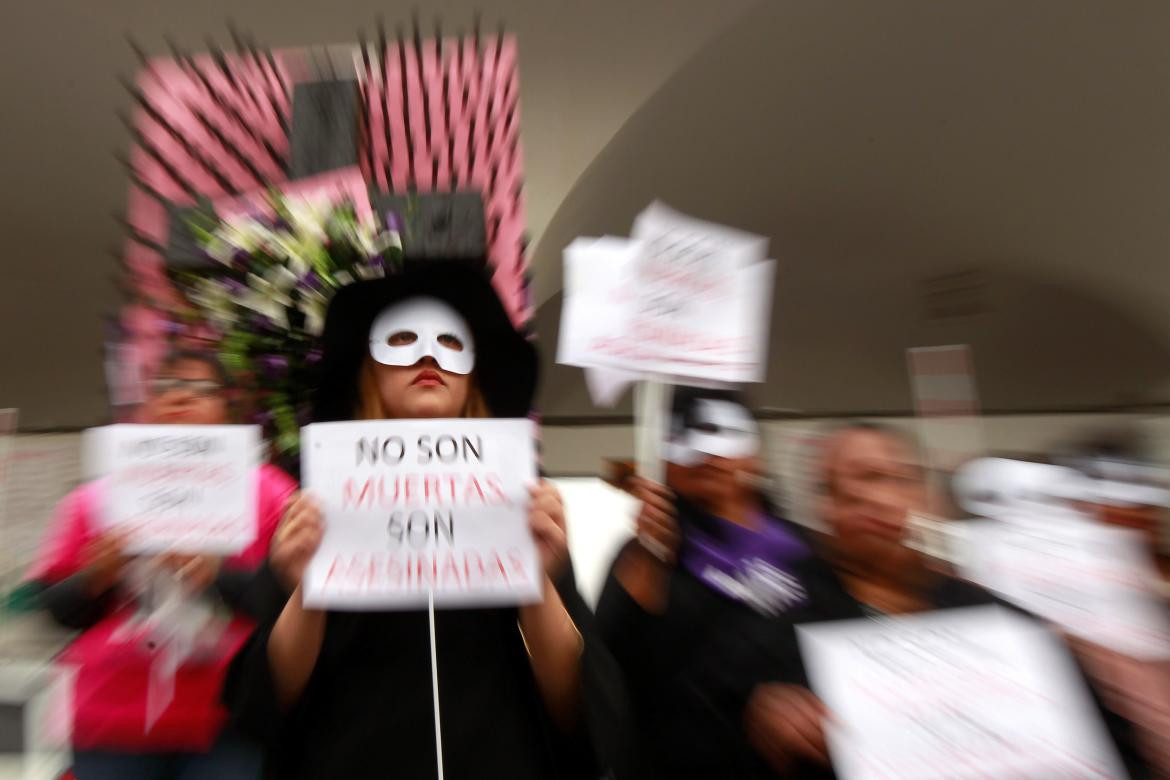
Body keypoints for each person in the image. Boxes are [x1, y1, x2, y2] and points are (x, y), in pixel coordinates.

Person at [222, 259, 625, 779]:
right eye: (404, 338)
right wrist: (306, 589)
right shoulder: (317, 502)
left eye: (451, 343)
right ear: (369, 366)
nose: (429, 354)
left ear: (474, 373)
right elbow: (272, 702)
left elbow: (574, 706)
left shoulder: (521, 498)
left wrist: (537, 578)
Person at [739, 422, 1150, 778]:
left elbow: (1117, 748)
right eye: (857, 482)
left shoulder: (1005, 621)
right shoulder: (776, 628)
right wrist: (761, 718)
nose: (879, 499)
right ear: (825, 505)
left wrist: (1061, 682)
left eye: (899, 478)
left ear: (926, 495)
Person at [26, 350, 297, 780]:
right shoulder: (93, 498)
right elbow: (56, 612)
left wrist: (217, 578)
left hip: (229, 723)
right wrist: (97, 577)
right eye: (166, 387)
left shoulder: (270, 493)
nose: (180, 399)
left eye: (199, 389)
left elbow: (296, 600)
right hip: (111, 725)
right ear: (146, 404)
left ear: (227, 407)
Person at [596, 387, 819, 778]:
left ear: (755, 453)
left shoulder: (806, 553)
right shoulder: (644, 552)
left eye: (725, 433)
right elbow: (608, 667)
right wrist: (649, 563)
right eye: (682, 437)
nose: (706, 452)